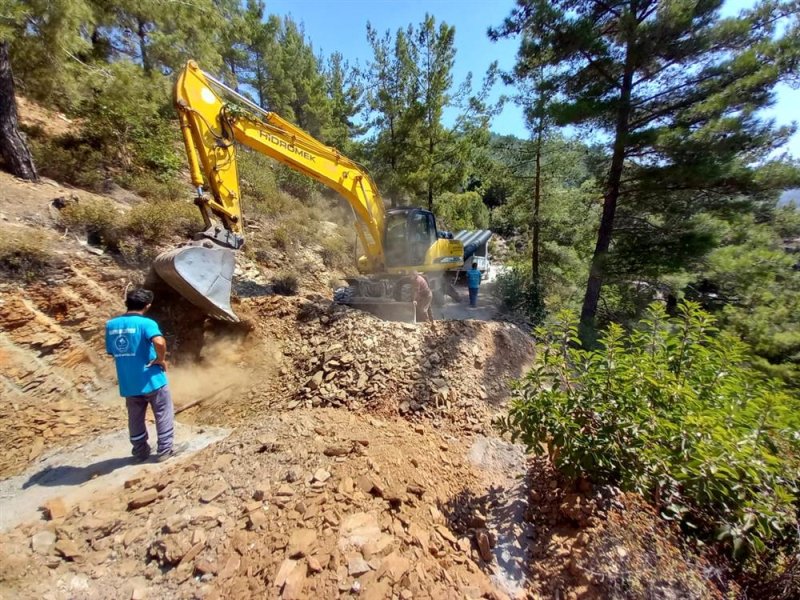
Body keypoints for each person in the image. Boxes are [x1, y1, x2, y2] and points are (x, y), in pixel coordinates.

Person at [106, 288, 182, 462]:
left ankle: (140, 450)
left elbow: (112, 351)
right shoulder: (147, 323)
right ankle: (165, 449)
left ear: (127, 303)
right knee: (163, 411)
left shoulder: (110, 325)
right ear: (147, 306)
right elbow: (159, 341)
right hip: (151, 378)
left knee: (135, 415)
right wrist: (160, 359)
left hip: (128, 381)